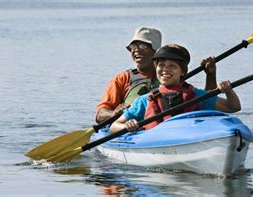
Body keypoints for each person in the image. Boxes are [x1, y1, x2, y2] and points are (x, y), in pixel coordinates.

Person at [95, 27, 218, 123]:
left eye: (143, 45)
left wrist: (210, 75)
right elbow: (100, 115)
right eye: (133, 46)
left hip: (164, 128)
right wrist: (115, 113)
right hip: (133, 130)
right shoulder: (123, 79)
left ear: (156, 52)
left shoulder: (171, 77)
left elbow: (207, 103)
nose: (136, 50)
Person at [109, 44, 241, 133]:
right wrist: (126, 126)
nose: (165, 70)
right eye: (161, 65)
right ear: (156, 69)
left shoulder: (196, 95)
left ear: (182, 72)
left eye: (172, 66)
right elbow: (114, 126)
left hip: (189, 138)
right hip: (155, 141)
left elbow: (233, 107)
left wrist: (229, 91)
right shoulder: (144, 100)